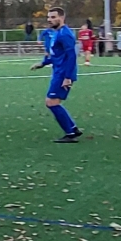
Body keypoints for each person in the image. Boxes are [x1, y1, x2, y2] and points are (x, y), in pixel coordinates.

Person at [31, 7, 84, 144]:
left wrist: (68, 77)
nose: (50, 20)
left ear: (62, 17)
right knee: (52, 102)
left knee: (51, 102)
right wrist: (43, 63)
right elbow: (57, 55)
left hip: (63, 74)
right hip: (58, 72)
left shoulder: (65, 34)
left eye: (53, 17)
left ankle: (70, 134)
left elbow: (72, 56)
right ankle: (73, 129)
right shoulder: (56, 33)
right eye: (49, 17)